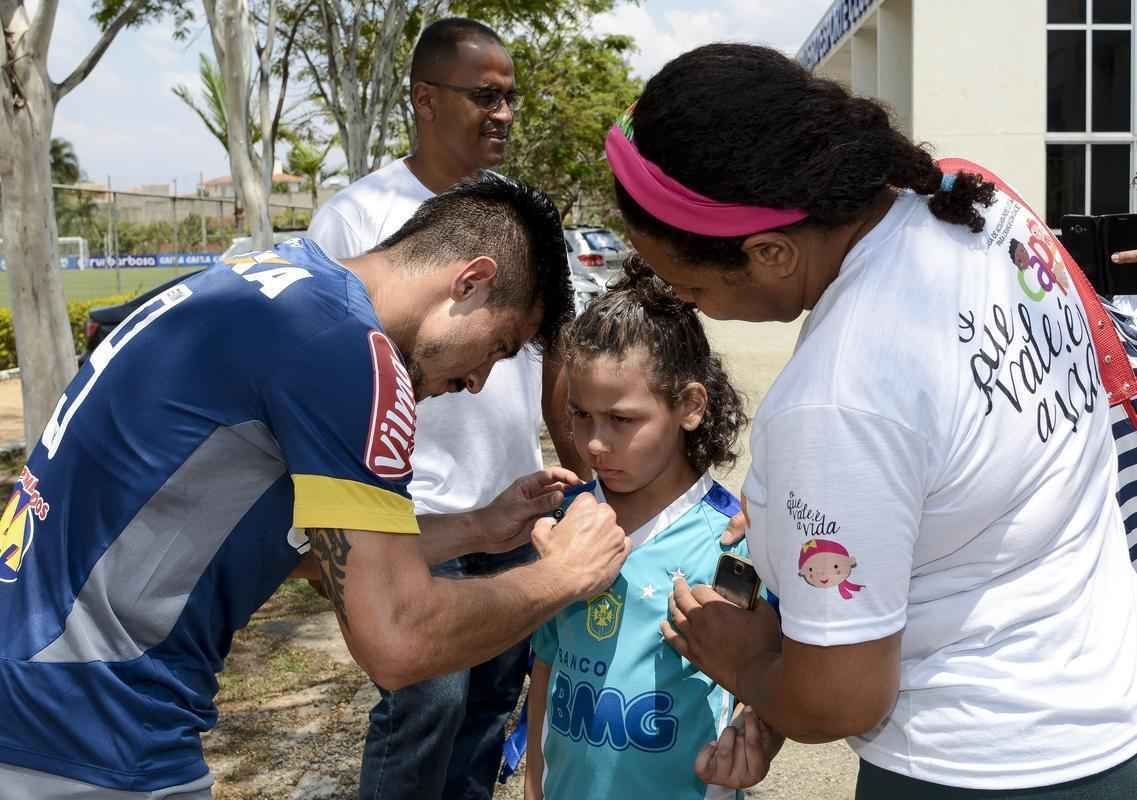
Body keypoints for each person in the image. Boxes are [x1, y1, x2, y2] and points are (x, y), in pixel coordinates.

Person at [607, 44, 1137, 798]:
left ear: (768, 251)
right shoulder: (973, 206)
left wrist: (744, 660)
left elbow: (841, 698)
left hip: (977, 764)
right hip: (1108, 711)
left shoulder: (837, 397)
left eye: (688, 283)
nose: (683, 301)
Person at [0, 175, 629, 799]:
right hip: (85, 727)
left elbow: (306, 554)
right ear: (471, 282)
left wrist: (477, 528)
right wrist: (565, 575)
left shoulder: (269, 283)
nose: (478, 380)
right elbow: (397, 639)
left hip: (36, 696)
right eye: (499, 346)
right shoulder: (351, 349)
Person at [307, 17, 588, 800]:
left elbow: (552, 359)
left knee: (490, 708)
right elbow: (329, 379)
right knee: (424, 706)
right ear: (425, 100)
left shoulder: (523, 220)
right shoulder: (358, 218)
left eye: (510, 98)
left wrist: (581, 477)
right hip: (411, 513)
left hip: (509, 504)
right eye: (484, 96)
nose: (501, 112)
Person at [523, 263, 762, 800]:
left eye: (622, 420)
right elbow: (546, 662)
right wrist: (535, 782)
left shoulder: (731, 539)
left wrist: (756, 743)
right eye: (580, 416)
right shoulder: (570, 522)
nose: (595, 444)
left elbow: (765, 673)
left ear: (690, 406)